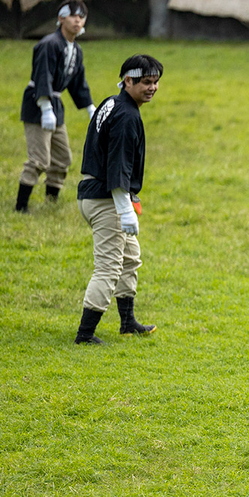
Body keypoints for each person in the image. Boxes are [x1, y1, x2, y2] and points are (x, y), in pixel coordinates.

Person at [73, 54, 162, 345]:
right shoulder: (127, 116)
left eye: (156, 82)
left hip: (94, 194)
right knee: (109, 267)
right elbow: (118, 165)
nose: (153, 87)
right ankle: (85, 334)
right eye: (146, 82)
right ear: (128, 81)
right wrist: (125, 209)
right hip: (106, 200)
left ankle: (127, 321)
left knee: (130, 258)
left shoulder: (112, 101)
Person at [15, 0, 95, 212]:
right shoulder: (49, 44)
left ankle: (51, 203)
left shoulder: (75, 49)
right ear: (61, 19)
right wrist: (45, 107)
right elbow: (43, 76)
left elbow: (78, 82)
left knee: (62, 158)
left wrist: (90, 108)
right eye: (73, 16)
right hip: (38, 105)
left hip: (56, 106)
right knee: (40, 159)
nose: (77, 21)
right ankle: (20, 207)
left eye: (81, 17)